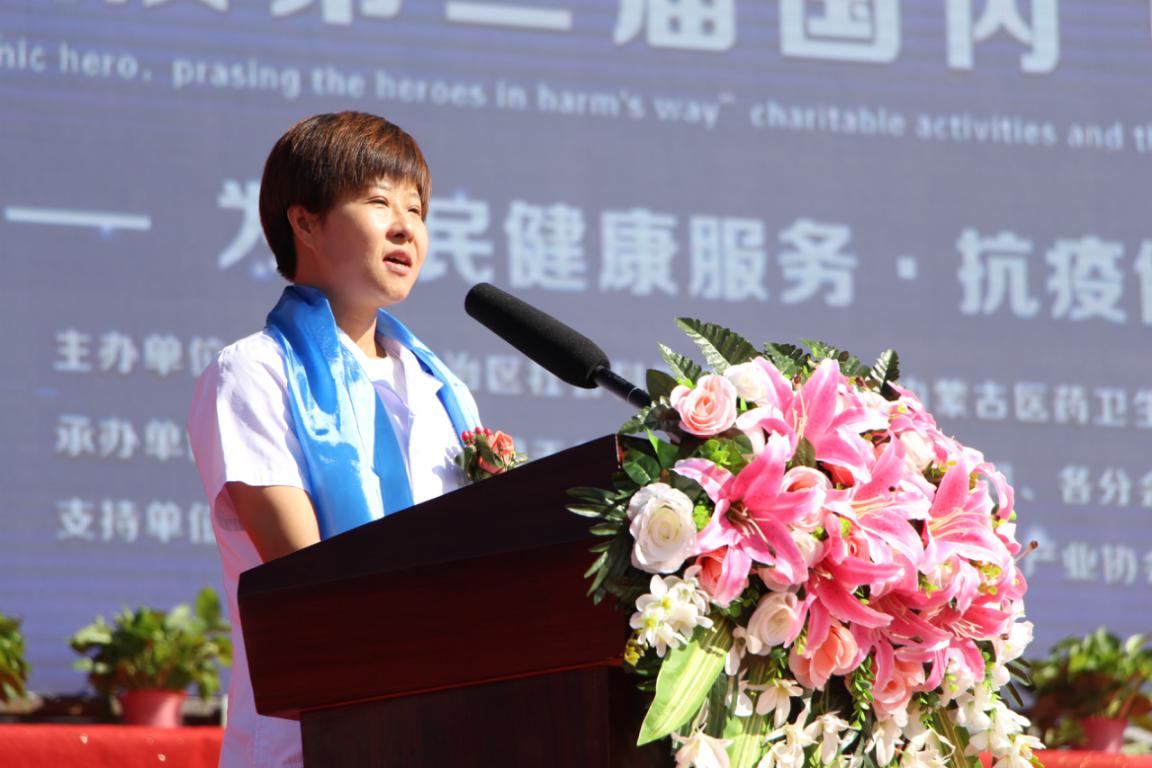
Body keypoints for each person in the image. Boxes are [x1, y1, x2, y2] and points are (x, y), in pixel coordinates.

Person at [187, 112, 481, 768]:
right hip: (310, 744)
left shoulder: (442, 391)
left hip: (447, 734)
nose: (406, 227)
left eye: (416, 208)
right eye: (379, 202)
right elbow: (309, 573)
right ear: (306, 222)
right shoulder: (255, 372)